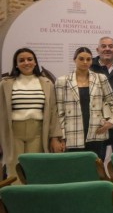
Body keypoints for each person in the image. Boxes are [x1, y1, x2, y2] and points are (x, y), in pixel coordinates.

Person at [0, 48, 65, 179]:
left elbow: (53, 111)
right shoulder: (5, 84)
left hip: (38, 131)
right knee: (14, 169)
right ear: (16, 64)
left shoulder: (46, 83)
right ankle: (15, 198)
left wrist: (55, 137)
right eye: (21, 60)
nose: (26, 63)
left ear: (35, 62)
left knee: (35, 168)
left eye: (30, 59)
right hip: (13, 132)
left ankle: (34, 197)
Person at [55, 47, 113, 160]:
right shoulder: (62, 81)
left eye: (88, 59)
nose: (85, 62)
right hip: (72, 134)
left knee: (96, 169)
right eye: (81, 59)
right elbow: (59, 112)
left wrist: (111, 122)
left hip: (96, 132)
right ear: (74, 59)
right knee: (75, 170)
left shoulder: (100, 78)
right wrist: (62, 137)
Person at [91, 36, 113, 155]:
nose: (107, 49)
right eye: (104, 46)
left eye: (111, 46)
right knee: (96, 162)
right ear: (97, 50)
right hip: (97, 124)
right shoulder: (89, 69)